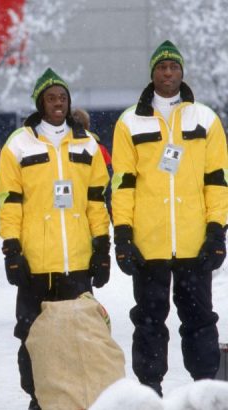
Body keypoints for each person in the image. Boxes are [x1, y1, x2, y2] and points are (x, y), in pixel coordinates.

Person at [111, 40, 228, 396]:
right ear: (153, 73)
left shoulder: (204, 118)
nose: (168, 73)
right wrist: (124, 236)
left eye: (174, 67)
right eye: (162, 67)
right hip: (149, 245)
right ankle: (150, 391)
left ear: (182, 72)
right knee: (148, 323)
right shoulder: (129, 122)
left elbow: (217, 181)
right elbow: (122, 185)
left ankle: (206, 389)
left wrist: (216, 232)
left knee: (200, 322)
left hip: (194, 243)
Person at [0, 68, 111, 410]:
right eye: (51, 98)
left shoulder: (88, 144)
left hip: (76, 261)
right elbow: (10, 202)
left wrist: (102, 247)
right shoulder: (18, 143)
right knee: (33, 336)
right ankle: (38, 397)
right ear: (40, 103)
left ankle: (75, 397)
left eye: (62, 98)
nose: (57, 103)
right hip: (35, 262)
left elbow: (95, 201)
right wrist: (12, 248)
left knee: (80, 337)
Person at [72, 108, 113, 218]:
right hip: (97, 204)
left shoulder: (62, 149)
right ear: (88, 125)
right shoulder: (99, 148)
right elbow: (109, 179)